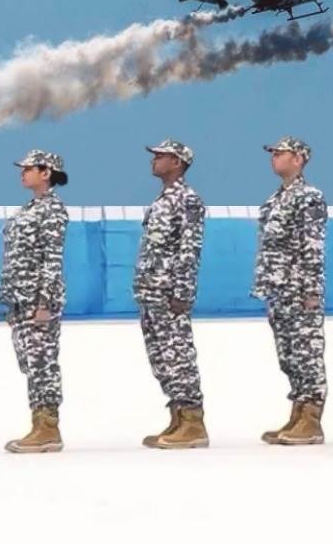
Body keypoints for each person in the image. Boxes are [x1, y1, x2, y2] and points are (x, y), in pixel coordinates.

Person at [252, 136, 329, 445]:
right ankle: (297, 414)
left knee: (307, 353)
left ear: (298, 159)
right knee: (289, 355)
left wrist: (311, 289)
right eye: (272, 153)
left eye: (280, 153)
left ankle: (311, 419)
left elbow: (313, 245)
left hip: (299, 290)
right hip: (279, 290)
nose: (273, 157)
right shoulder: (274, 200)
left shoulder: (309, 197)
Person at [133, 139, 209, 449]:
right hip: (152, 292)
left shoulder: (187, 199)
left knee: (178, 354)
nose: (154, 160)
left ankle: (193, 422)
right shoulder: (162, 200)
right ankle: (178, 417)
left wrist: (182, 291)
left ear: (177, 162)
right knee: (161, 356)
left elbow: (189, 249)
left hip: (169, 293)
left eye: (160, 156)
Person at [0, 150, 69, 453]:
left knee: (43, 363)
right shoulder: (29, 209)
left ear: (46, 173)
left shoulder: (52, 210)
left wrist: (45, 303)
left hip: (38, 301)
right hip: (21, 299)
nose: (22, 173)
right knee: (30, 362)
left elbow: (52, 259)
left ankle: (48, 428)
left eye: (29, 169)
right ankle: (39, 425)